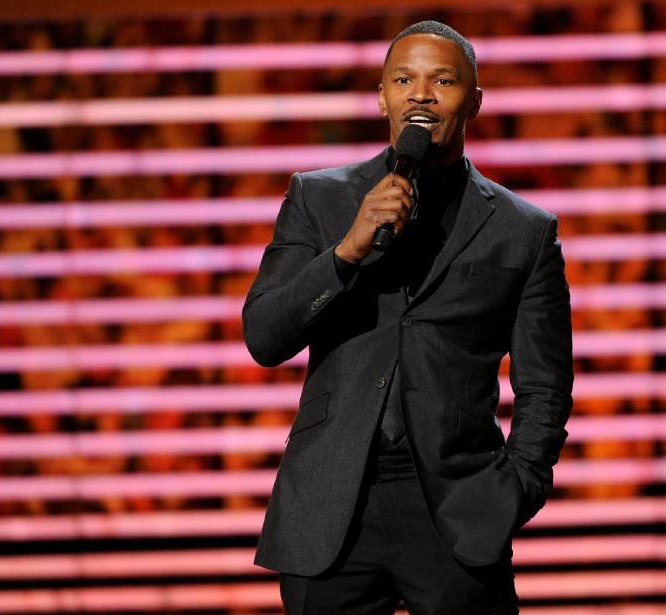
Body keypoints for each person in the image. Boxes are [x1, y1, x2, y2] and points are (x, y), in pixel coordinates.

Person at [243, 20, 573, 614]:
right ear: (382, 96)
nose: (420, 94)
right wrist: (346, 251)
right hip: (331, 509)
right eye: (404, 79)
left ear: (474, 99)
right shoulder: (318, 198)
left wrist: (514, 488)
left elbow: (545, 384)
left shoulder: (523, 230)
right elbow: (265, 336)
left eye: (441, 80)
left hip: (458, 510)